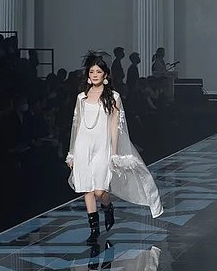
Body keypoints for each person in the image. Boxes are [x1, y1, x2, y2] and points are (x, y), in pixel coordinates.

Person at [66, 52, 163, 246]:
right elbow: (76, 125)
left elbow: (114, 126)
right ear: (88, 75)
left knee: (100, 191)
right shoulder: (81, 97)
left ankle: (108, 207)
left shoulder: (114, 97)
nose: (95, 74)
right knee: (86, 188)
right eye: (91, 71)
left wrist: (114, 152)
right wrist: (72, 153)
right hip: (83, 145)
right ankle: (94, 230)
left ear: (105, 75)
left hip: (103, 146)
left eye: (98, 71)